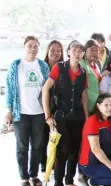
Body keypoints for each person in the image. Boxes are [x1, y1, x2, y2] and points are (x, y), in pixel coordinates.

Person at [42, 41, 89, 186]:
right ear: (68, 52)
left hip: (77, 117)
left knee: (75, 150)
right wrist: (48, 115)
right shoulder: (59, 68)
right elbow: (45, 89)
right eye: (74, 50)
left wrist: (87, 118)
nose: (77, 53)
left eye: (80, 51)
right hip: (61, 116)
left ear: (83, 54)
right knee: (63, 150)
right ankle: (58, 185)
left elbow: (83, 95)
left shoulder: (83, 72)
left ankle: (70, 181)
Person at [6, 36, 50, 186]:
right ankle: (24, 177)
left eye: (36, 46)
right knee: (22, 146)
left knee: (37, 146)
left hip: (39, 113)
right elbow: (10, 89)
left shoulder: (43, 66)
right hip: (21, 112)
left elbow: (47, 89)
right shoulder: (16, 65)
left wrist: (48, 112)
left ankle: (34, 175)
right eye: (30, 46)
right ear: (24, 46)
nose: (33, 49)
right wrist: (8, 110)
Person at [79, 93, 111, 186]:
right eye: (106, 105)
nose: (109, 108)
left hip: (103, 160)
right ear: (98, 106)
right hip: (90, 163)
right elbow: (95, 149)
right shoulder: (92, 121)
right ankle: (91, 181)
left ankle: (101, 177)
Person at [40, 40, 64, 175]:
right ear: (47, 51)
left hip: (59, 108)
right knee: (43, 139)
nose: (55, 53)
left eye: (58, 50)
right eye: (52, 50)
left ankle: (55, 163)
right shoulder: (41, 66)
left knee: (57, 138)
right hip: (43, 108)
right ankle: (44, 166)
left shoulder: (64, 67)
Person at [79, 40, 101, 114]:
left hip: (96, 105)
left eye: (97, 50)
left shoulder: (96, 65)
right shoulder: (81, 64)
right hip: (85, 106)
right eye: (91, 50)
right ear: (85, 51)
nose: (94, 53)